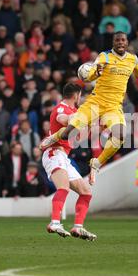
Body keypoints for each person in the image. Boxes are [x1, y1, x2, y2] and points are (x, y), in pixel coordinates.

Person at [40, 32, 138, 185]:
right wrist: (95, 73)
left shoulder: (132, 59)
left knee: (120, 135)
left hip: (113, 107)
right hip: (95, 102)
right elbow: (91, 74)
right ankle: (54, 137)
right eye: (117, 40)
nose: (120, 42)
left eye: (123, 40)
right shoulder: (104, 57)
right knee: (69, 133)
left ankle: (96, 163)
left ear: (127, 42)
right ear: (113, 43)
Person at [42, 83, 96, 241]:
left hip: (63, 156)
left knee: (86, 192)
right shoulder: (62, 108)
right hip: (54, 152)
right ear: (76, 95)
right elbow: (63, 119)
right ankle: (54, 222)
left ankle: (78, 227)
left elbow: (79, 139)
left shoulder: (75, 111)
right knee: (63, 187)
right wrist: (75, 118)